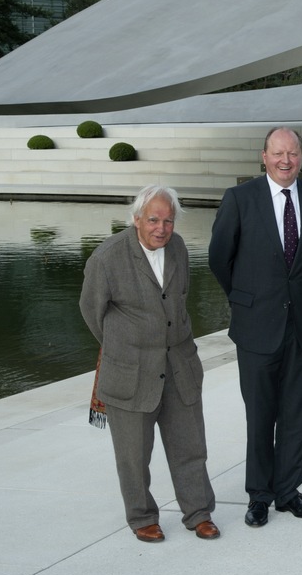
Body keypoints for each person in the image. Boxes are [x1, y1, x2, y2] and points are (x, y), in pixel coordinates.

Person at [209, 126, 302, 527]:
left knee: (296, 411)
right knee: (260, 414)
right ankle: (259, 495)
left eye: (293, 154)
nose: (286, 161)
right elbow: (219, 258)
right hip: (256, 325)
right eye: (278, 154)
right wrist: (246, 297)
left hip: (301, 324)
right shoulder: (240, 198)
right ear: (264, 156)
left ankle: (288, 491)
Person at [80, 185, 219, 543]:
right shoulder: (107, 258)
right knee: (133, 456)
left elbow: (182, 297)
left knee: (190, 447)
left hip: (179, 367)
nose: (161, 228)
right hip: (131, 373)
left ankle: (198, 513)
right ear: (137, 219)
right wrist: (127, 348)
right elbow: (91, 312)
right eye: (154, 220)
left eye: (168, 221)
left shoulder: (179, 248)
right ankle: (142, 517)